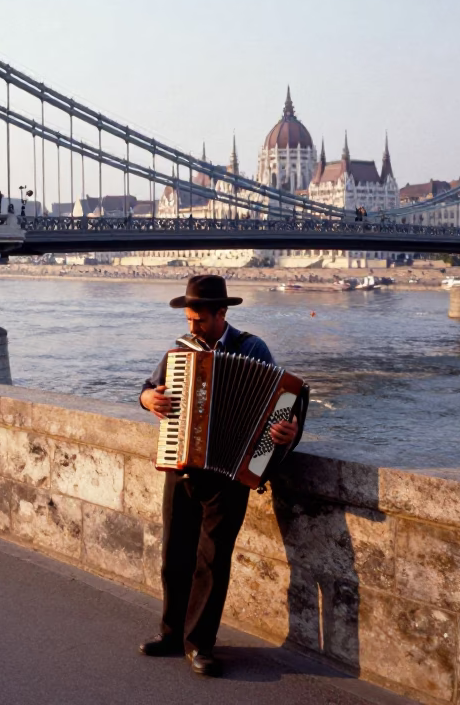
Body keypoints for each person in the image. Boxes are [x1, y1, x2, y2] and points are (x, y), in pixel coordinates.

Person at [138, 275, 299, 677]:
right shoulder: (181, 350)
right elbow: (148, 389)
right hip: (181, 466)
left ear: (221, 314)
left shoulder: (252, 348)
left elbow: (282, 403)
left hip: (229, 474)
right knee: (174, 556)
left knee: (212, 562)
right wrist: (149, 399)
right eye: (189, 320)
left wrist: (287, 430)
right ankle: (171, 634)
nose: (192, 327)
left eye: (200, 320)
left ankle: (199, 645)